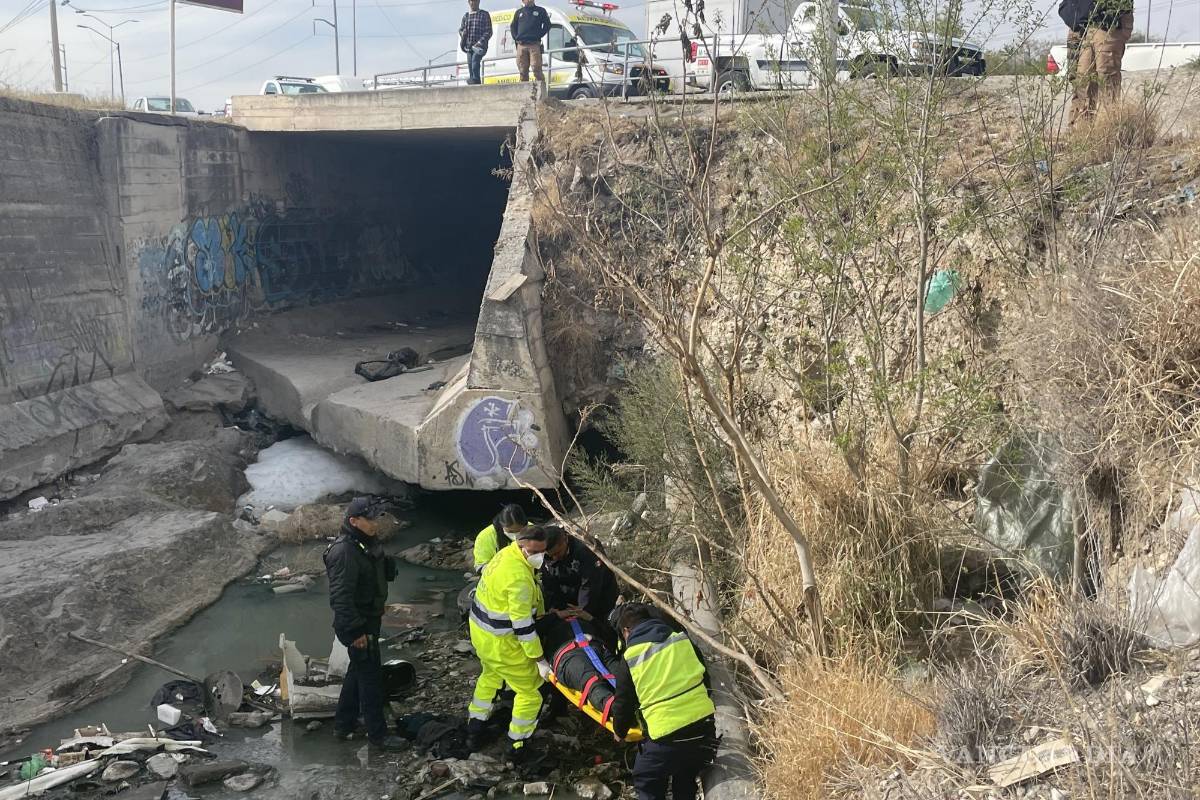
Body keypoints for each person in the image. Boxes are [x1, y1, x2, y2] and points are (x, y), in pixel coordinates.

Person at [609, 604, 719, 800]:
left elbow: (623, 703)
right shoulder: (681, 640)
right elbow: (706, 682)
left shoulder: (631, 657)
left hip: (666, 740)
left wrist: (620, 732)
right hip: (704, 731)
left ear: (626, 631)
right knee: (686, 779)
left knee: (646, 779)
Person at [324, 496, 406, 749]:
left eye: (377, 518)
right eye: (370, 519)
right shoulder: (344, 551)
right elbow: (340, 597)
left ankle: (344, 724)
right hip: (357, 624)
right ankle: (378, 735)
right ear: (354, 521)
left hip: (368, 618)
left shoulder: (365, 542)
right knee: (370, 678)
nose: (376, 523)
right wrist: (355, 630)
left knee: (357, 670)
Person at [466, 526, 553, 759]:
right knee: (531, 692)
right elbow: (523, 627)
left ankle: (475, 729)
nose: (540, 557)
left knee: (491, 677)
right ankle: (517, 745)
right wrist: (539, 659)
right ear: (522, 545)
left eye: (543, 551)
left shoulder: (505, 554)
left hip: (482, 636)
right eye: (536, 551)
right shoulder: (518, 579)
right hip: (503, 644)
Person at [539, 525, 619, 649]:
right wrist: (555, 608)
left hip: (599, 598)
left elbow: (590, 586)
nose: (554, 557)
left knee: (602, 630)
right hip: (569, 596)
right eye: (551, 555)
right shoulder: (545, 554)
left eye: (557, 553)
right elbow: (549, 582)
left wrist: (582, 611)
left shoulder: (586, 549)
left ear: (565, 539)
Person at [1067, 0, 1134, 125]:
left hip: (1108, 18)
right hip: (1083, 18)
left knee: (1107, 77)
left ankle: (1110, 130)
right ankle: (1080, 132)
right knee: (1082, 79)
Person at [473, 504, 529, 572]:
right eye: (510, 531)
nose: (515, 535)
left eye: (520, 531)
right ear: (502, 525)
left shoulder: (533, 530)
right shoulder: (485, 536)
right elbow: (480, 566)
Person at [509, 0, 551, 83]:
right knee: (522, 70)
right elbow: (513, 26)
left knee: (536, 68)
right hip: (521, 45)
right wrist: (516, 38)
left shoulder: (540, 10)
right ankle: (525, 92)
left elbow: (547, 25)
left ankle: (541, 90)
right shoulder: (519, 12)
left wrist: (539, 35)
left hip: (534, 44)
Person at [459, 0, 493, 85]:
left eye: (475, 1)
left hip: (480, 46)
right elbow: (461, 29)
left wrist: (480, 42)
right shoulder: (466, 16)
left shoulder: (484, 15)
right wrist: (463, 33)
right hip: (469, 47)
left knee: (475, 62)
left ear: (478, 2)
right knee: (470, 66)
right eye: (471, 1)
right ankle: (474, 84)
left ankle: (476, 80)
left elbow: (489, 31)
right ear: (468, 2)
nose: (473, 3)